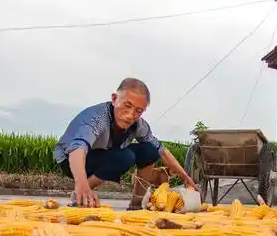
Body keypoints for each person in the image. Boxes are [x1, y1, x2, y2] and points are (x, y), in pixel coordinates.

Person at [54, 77, 199, 208]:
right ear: (114, 99)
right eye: (127, 105)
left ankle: (137, 202)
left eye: (138, 111)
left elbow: (161, 151)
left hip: (105, 154)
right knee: (125, 157)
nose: (130, 115)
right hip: (70, 160)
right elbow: (77, 149)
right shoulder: (97, 118)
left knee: (149, 150)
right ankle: (79, 193)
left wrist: (187, 179)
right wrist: (82, 185)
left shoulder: (139, 124)